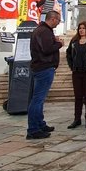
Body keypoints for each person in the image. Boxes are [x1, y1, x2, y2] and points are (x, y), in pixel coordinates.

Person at [27, 10, 63, 140]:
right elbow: (47, 49)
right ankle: (33, 129)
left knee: (39, 99)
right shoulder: (44, 31)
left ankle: (40, 124)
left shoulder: (40, 30)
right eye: (58, 21)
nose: (58, 23)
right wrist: (59, 44)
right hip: (44, 67)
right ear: (52, 19)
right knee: (37, 99)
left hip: (40, 67)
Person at [65, 21, 86, 129]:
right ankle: (77, 119)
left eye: (83, 28)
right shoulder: (74, 41)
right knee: (78, 96)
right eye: (80, 28)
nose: (81, 30)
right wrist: (72, 66)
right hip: (77, 72)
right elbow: (69, 54)